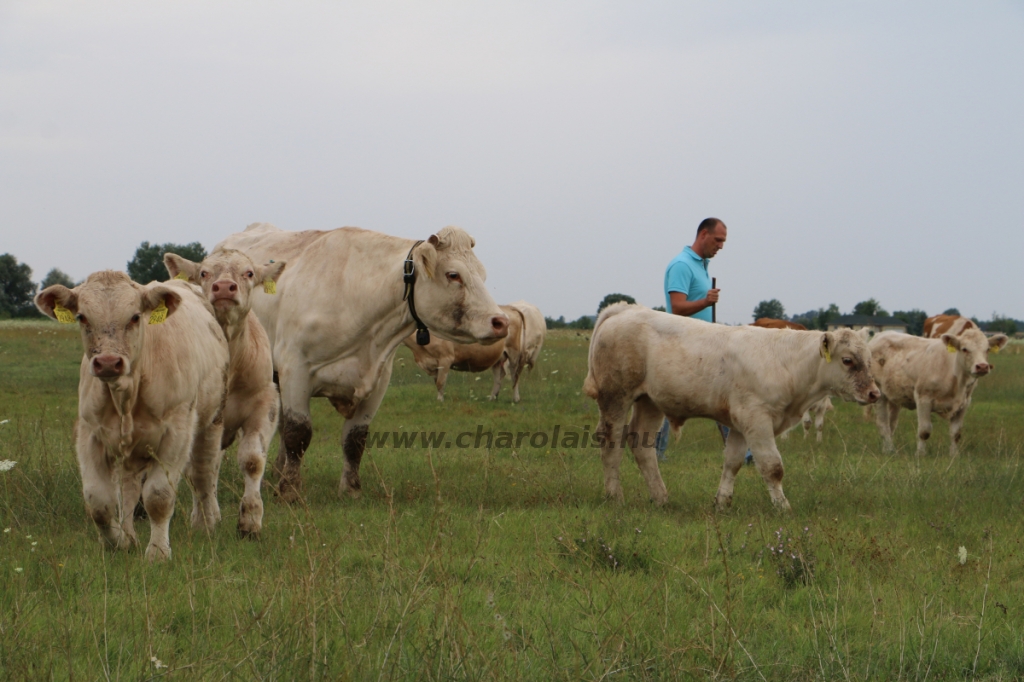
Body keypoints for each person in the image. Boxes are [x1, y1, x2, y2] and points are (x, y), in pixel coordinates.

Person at [655, 217, 732, 460]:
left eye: (723, 242)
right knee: (666, 400)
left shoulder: (700, 265)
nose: (721, 246)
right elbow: (677, 307)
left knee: (725, 394)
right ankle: (655, 452)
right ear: (703, 235)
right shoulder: (681, 265)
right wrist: (706, 302)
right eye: (718, 240)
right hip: (684, 345)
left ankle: (743, 450)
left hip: (704, 344)